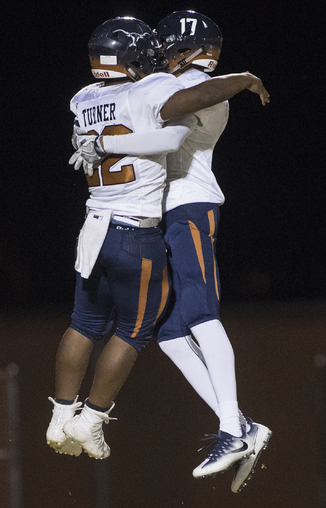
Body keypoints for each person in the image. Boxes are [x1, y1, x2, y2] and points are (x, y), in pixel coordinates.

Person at [47, 15, 270, 466]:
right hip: (145, 220)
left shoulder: (87, 97)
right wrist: (243, 78)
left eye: (165, 49)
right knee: (156, 332)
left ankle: (232, 427)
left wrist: (105, 145)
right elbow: (168, 124)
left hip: (147, 212)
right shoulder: (152, 88)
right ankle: (237, 424)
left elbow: (180, 112)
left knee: (184, 316)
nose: (157, 58)